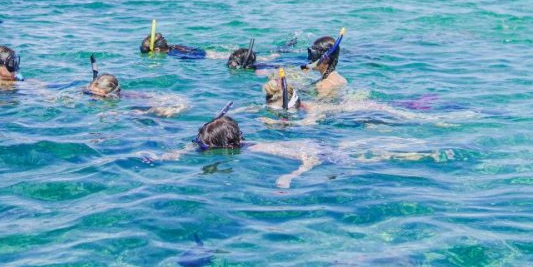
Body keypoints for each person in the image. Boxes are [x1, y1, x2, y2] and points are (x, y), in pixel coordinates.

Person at [150, 107, 448, 188]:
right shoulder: (239, 145)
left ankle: (426, 154)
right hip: (312, 145)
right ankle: (424, 151)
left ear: (226, 146)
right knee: (369, 154)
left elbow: (309, 159)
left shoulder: (257, 150)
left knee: (371, 160)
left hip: (316, 152)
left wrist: (291, 177)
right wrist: (172, 154)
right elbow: (199, 144)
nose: (202, 148)